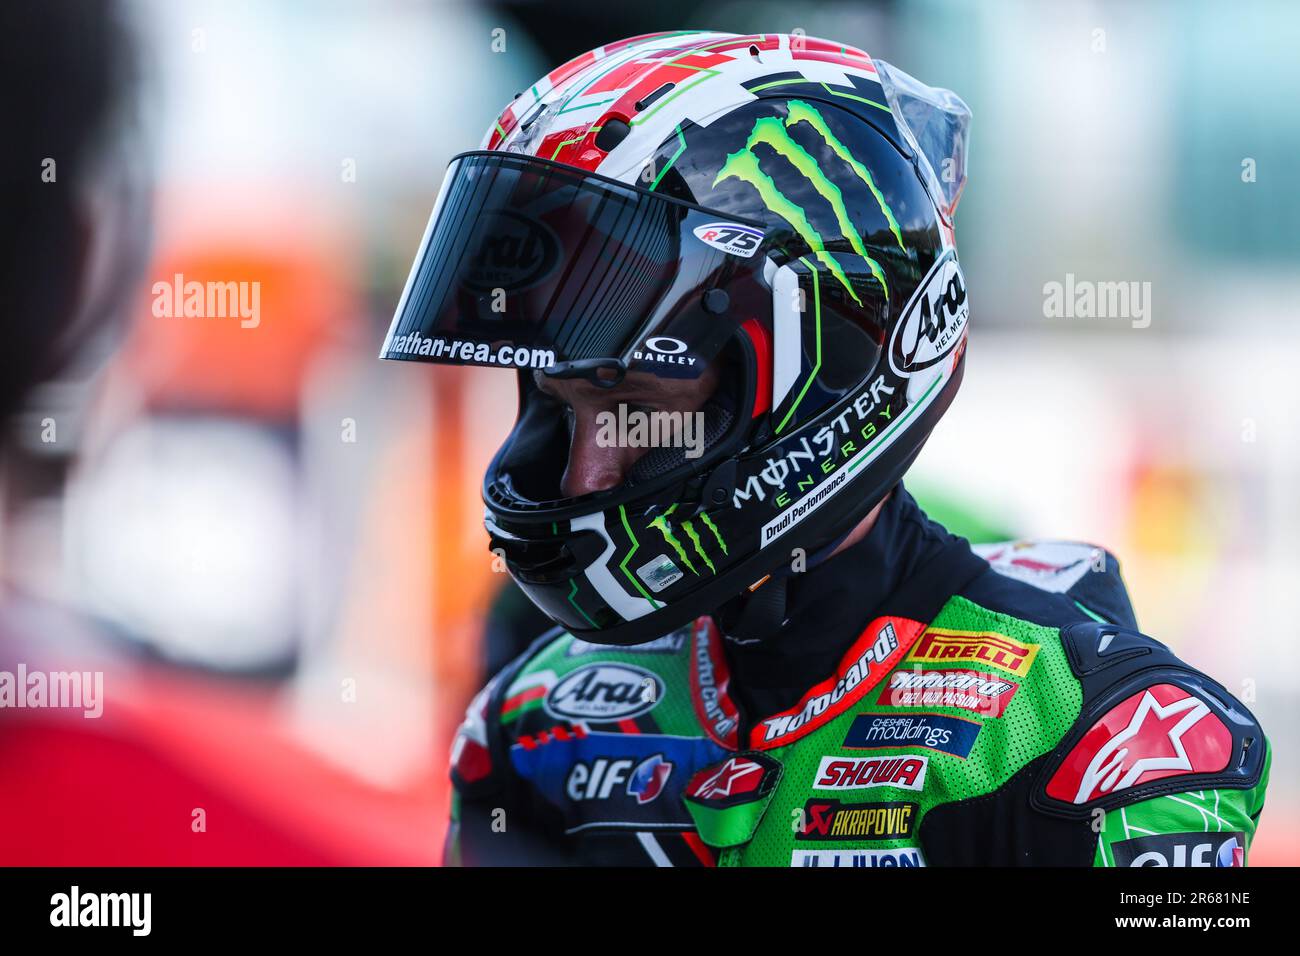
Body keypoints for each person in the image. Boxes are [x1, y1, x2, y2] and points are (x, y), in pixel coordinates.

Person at [382, 31, 1270, 866]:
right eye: (563, 408)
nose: (585, 473)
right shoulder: (540, 728)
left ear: (827, 373)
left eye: (634, 405)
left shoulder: (1119, 741)